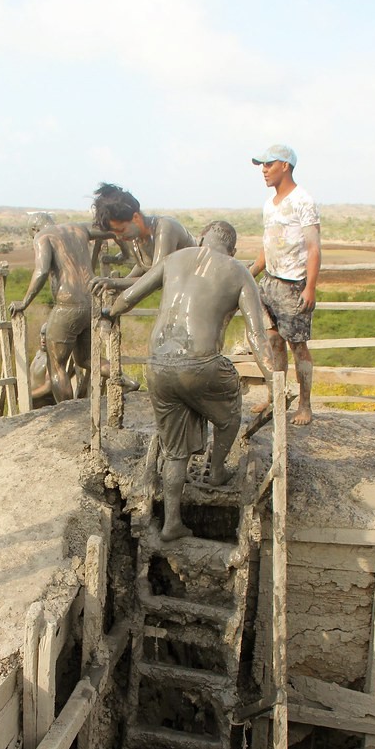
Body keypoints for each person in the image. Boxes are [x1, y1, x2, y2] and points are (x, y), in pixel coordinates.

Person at [107, 220, 273, 542]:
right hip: (201, 365)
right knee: (229, 413)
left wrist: (107, 313)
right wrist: (273, 378)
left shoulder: (174, 258)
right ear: (233, 249)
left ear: (200, 240)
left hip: (157, 366)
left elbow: (127, 298)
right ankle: (216, 469)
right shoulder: (239, 271)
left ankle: (172, 523)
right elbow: (256, 335)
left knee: (174, 451)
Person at [10, 212, 138, 402]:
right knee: (85, 359)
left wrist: (25, 302)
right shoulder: (79, 228)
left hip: (68, 303)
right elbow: (113, 229)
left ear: (34, 229)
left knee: (56, 363)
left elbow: (42, 270)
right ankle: (127, 381)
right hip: (91, 301)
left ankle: (67, 409)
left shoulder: (43, 237)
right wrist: (126, 254)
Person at [249, 144, 321, 426]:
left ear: (285, 166)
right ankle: (275, 395)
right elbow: (269, 245)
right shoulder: (270, 205)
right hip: (271, 283)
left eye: (268, 165)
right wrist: (252, 272)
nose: (264, 171)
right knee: (274, 341)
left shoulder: (303, 201)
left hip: (294, 284)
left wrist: (310, 287)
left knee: (298, 346)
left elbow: (314, 248)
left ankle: (304, 404)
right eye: (262, 166)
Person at [90, 183, 197, 296]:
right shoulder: (133, 237)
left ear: (135, 218)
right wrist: (119, 284)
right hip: (177, 289)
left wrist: (117, 283)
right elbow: (143, 266)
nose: (118, 237)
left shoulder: (165, 228)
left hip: (196, 285)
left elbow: (157, 277)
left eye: (121, 230)